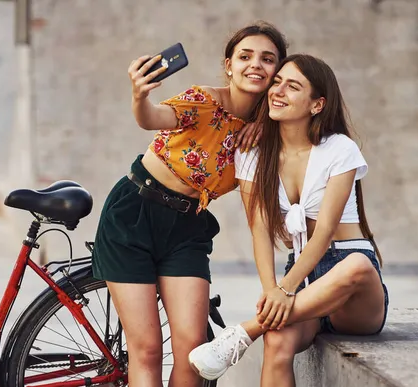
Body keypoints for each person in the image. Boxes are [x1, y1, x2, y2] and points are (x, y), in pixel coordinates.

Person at [91, 22, 288, 387]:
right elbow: (151, 118)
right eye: (245, 56)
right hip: (134, 212)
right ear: (229, 65)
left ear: (279, 72)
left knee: (194, 351)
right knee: (147, 350)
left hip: (187, 227)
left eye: (267, 59)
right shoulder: (203, 101)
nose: (255, 65)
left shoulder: (269, 131)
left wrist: (266, 126)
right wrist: (139, 95)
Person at [188, 54, 389, 386]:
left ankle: (244, 332)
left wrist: (285, 289)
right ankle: (262, 327)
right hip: (299, 277)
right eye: (276, 82)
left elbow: (324, 232)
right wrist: (273, 293)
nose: (277, 91)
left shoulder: (340, 149)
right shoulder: (253, 154)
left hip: (352, 290)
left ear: (317, 104)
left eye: (292, 86)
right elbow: (260, 230)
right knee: (278, 340)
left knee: (357, 265)